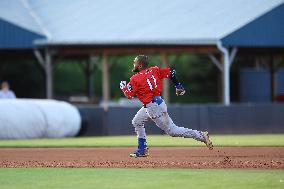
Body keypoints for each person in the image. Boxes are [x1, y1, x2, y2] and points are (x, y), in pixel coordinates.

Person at [120, 55, 213, 158]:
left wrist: (123, 87)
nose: (134, 64)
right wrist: (178, 86)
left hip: (153, 108)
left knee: (172, 131)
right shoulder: (154, 70)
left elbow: (129, 95)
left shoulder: (135, 78)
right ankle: (142, 149)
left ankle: (201, 135)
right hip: (157, 103)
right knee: (137, 121)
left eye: (135, 62)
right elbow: (172, 73)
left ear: (140, 65)